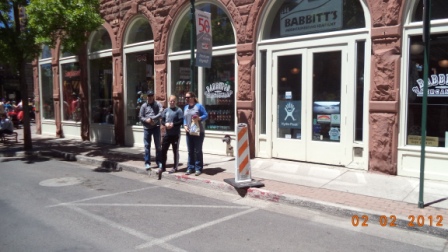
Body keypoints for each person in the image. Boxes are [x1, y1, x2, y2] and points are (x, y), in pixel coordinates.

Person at [157, 95, 184, 179]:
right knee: (163, 150)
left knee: (175, 151)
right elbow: (163, 120)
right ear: (169, 101)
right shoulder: (166, 110)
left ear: (176, 101)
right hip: (167, 134)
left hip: (175, 134)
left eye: (173, 101)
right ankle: (163, 166)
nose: (172, 102)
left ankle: (175, 167)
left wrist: (173, 124)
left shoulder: (178, 110)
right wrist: (165, 124)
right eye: (170, 101)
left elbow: (181, 121)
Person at [183, 91, 208, 176]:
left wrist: (199, 118)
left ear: (193, 98)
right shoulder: (186, 107)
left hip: (198, 132)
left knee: (197, 150)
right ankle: (190, 167)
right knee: (190, 151)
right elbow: (184, 118)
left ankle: (198, 168)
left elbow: (206, 115)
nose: (186, 99)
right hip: (189, 132)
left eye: (188, 97)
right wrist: (185, 125)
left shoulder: (199, 106)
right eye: (185, 97)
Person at [139, 90, 163, 173]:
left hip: (156, 127)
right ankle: (147, 163)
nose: (150, 97)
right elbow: (141, 117)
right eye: (148, 96)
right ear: (147, 97)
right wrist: (147, 120)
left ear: (153, 96)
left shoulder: (158, 104)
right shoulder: (144, 106)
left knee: (158, 146)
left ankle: (159, 162)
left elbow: (161, 113)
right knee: (147, 146)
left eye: (151, 96)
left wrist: (152, 119)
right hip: (147, 128)